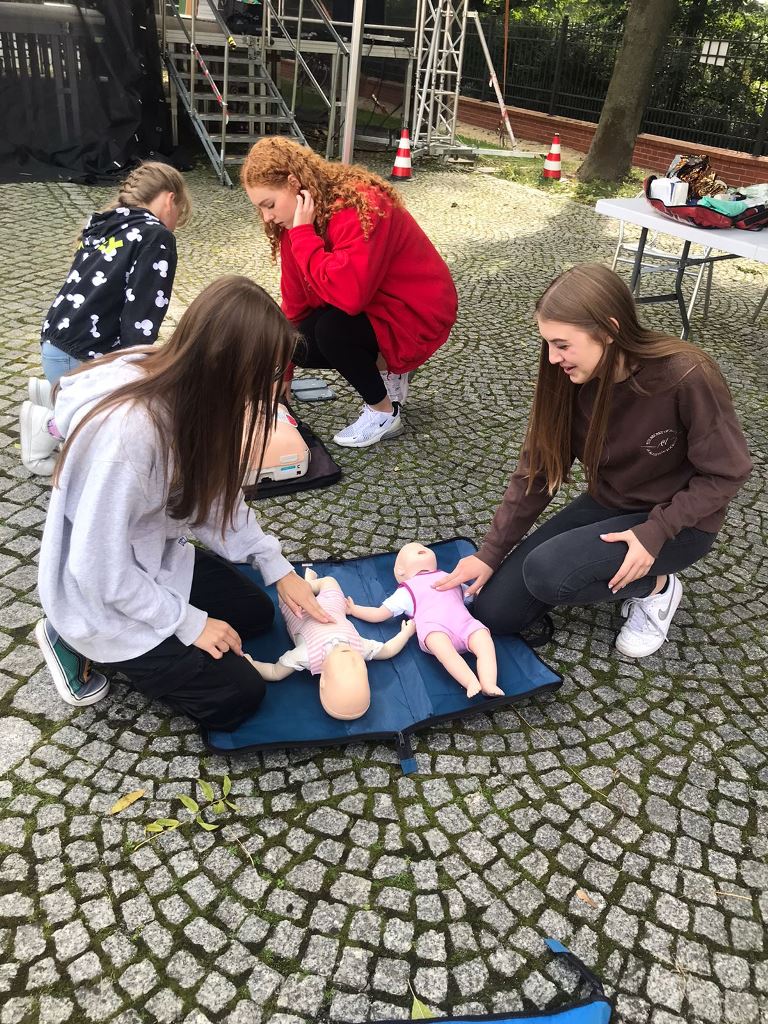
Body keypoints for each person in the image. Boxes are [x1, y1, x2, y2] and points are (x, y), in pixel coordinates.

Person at [35, 275, 332, 730]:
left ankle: (162, 624)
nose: (272, 390)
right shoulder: (130, 436)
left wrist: (278, 568)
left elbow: (214, 499)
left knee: (258, 614)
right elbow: (96, 567)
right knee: (237, 697)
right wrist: (189, 623)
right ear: (231, 366)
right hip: (96, 594)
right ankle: (71, 639)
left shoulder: (195, 391)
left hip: (149, 560)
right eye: (269, 374)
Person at [438, 264, 752, 659]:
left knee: (546, 572)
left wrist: (656, 531)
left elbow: (727, 472)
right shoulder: (569, 377)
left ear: (608, 330)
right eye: (547, 344)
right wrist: (489, 553)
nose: (552, 358)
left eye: (562, 345)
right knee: (494, 613)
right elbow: (538, 471)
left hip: (681, 522)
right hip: (610, 503)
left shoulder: (685, 374)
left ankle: (657, 588)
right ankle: (616, 569)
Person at [241, 136, 458, 448]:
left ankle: (384, 412)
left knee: (332, 331)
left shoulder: (360, 204)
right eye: (260, 209)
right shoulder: (294, 225)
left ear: (293, 183)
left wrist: (303, 235)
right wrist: (283, 371)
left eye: (269, 205)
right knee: (298, 343)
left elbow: (349, 296)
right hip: (375, 304)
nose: (267, 217)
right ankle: (386, 368)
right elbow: (295, 304)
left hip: (417, 308)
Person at [20, 160, 191, 476]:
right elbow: (141, 316)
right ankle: (47, 425)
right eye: (179, 214)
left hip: (57, 344)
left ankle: (54, 392)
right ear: (170, 199)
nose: (175, 224)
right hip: (84, 357)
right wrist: (137, 372)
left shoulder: (105, 222)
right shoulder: (156, 236)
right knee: (109, 435)